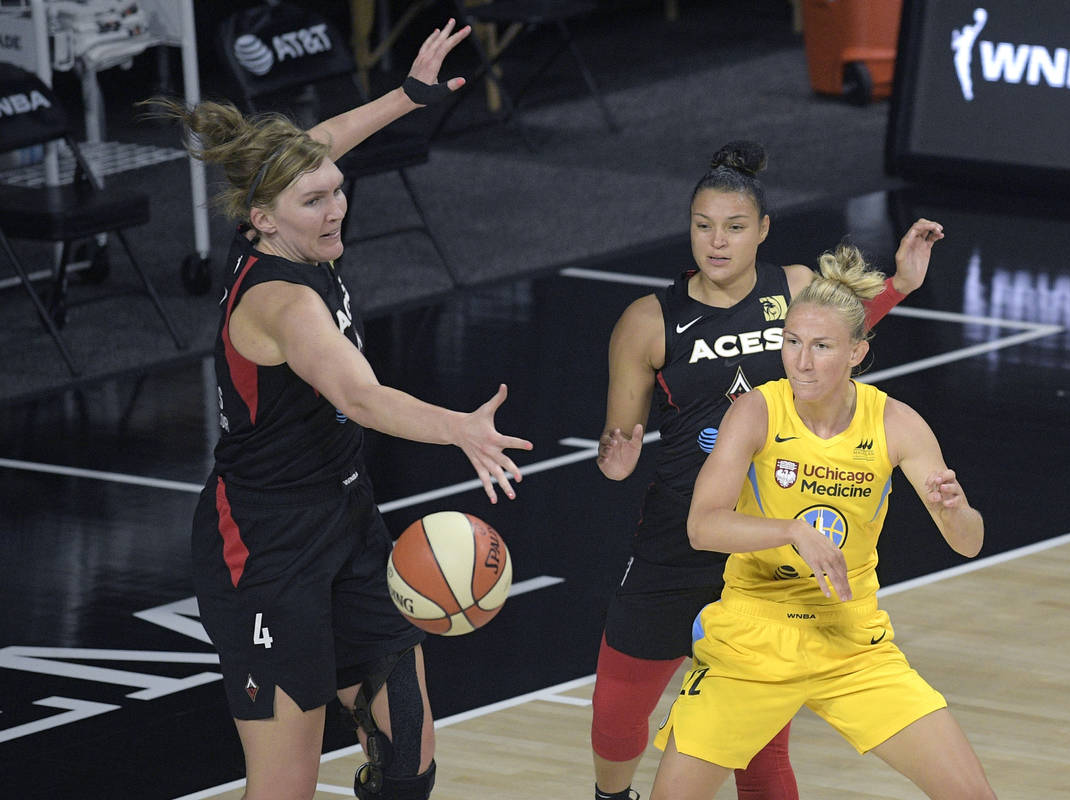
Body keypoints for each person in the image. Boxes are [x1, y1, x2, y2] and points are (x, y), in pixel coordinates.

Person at [148, 20, 533, 800]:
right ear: (262, 220)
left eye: (337, 191)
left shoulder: (285, 211)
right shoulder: (283, 303)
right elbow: (359, 396)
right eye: (314, 201)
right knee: (285, 784)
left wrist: (407, 96)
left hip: (348, 519)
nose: (335, 211)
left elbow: (324, 141)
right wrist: (458, 428)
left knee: (408, 756)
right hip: (264, 545)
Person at [590, 139, 942, 800]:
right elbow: (618, 442)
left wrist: (900, 285)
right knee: (615, 709)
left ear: (763, 230)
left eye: (734, 227)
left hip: (765, 545)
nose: (717, 242)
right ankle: (611, 796)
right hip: (678, 536)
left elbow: (839, 334)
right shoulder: (648, 321)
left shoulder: (795, 286)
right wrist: (617, 461)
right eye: (703, 226)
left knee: (760, 746)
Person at [647, 243, 996, 800]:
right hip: (753, 634)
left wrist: (956, 511)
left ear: (857, 351)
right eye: (792, 342)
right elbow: (702, 527)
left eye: (822, 346)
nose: (802, 362)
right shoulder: (756, 411)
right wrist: (791, 532)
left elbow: (968, 544)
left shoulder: (896, 423)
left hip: (850, 638)